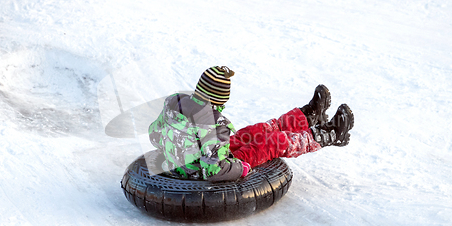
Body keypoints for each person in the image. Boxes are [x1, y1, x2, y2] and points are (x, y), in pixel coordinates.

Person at [148, 66, 354, 182]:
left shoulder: (174, 102)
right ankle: (329, 135)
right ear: (219, 99)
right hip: (198, 172)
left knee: (253, 132)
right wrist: (241, 168)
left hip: (190, 158)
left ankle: (306, 117)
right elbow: (214, 170)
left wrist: (176, 145)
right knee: (271, 142)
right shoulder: (215, 124)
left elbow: (154, 134)